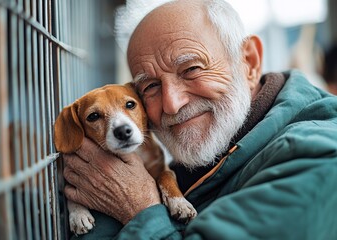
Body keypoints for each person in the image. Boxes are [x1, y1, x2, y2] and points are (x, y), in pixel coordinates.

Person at [62, 0, 337, 239]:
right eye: (150, 87)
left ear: (249, 63)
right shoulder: (209, 153)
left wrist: (139, 208)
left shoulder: (320, 159)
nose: (172, 103)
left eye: (191, 69)